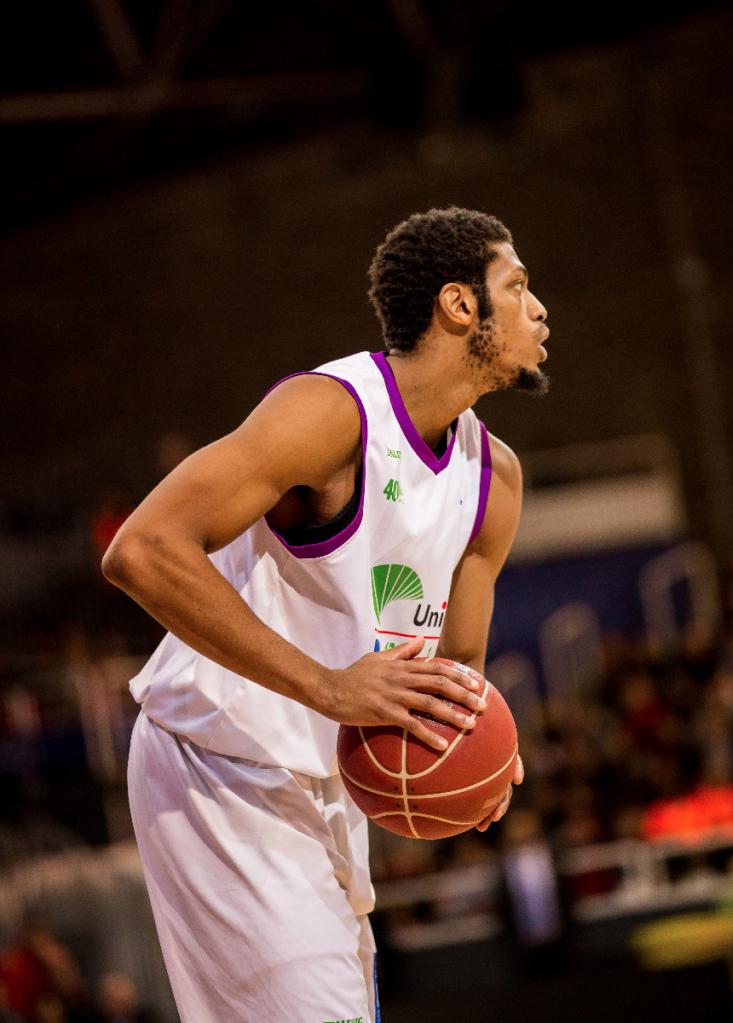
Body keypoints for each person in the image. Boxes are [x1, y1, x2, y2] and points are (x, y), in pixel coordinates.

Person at [102, 206, 549, 1023]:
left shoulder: (496, 480)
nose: (538, 308)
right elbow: (142, 549)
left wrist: (476, 757)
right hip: (218, 755)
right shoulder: (332, 412)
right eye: (516, 286)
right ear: (459, 305)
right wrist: (327, 687)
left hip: (324, 782)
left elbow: (459, 676)